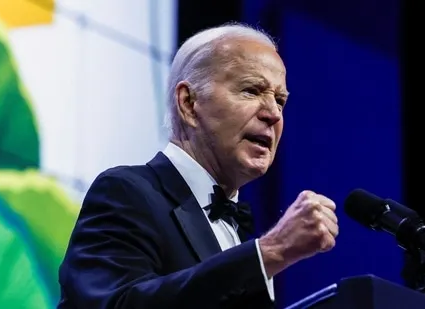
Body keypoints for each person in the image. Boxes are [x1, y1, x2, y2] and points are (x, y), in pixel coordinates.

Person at [57, 23, 339, 309]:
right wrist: (272, 251)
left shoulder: (239, 236)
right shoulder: (125, 193)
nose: (273, 114)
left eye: (280, 100)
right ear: (189, 103)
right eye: (252, 91)